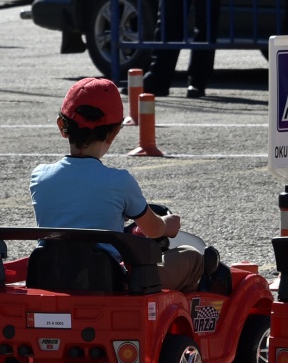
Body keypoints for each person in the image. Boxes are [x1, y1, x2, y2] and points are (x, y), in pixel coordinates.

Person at [30, 77, 205, 293]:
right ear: (114, 132)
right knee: (192, 258)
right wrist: (167, 225)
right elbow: (153, 230)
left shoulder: (39, 177)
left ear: (61, 126)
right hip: (109, 286)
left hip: (49, 279)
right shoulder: (119, 182)